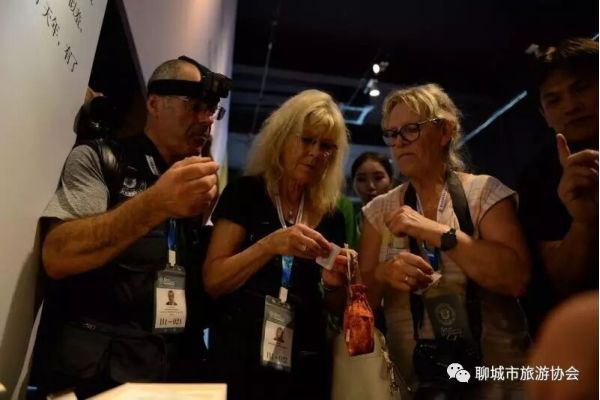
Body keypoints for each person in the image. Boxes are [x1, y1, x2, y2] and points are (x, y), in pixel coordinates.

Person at [28, 56, 231, 398]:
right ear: (154, 104)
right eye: (194, 106)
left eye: (212, 110)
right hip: (94, 377)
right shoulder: (102, 159)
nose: (206, 119)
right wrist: (155, 203)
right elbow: (58, 255)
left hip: (164, 373)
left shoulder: (195, 184)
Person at [359, 83, 532, 398]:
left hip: (498, 380)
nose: (399, 142)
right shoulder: (379, 210)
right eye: (392, 133)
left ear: (445, 131)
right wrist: (383, 273)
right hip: (412, 382)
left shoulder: (484, 192)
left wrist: (440, 233)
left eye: (411, 129)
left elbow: (515, 279)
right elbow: (359, 306)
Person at [203, 89, 350, 400]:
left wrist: (335, 285)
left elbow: (336, 307)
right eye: (307, 140)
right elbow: (214, 281)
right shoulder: (246, 193)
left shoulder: (332, 215)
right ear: (282, 138)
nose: (315, 153)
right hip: (240, 355)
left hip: (305, 361)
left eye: (326, 146)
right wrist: (269, 245)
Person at [518, 38, 599, 336]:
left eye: (581, 88)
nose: (571, 106)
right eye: (554, 100)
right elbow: (559, 282)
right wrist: (585, 223)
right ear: (544, 115)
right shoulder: (537, 176)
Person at [351, 152, 394, 243]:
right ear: (353, 183)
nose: (370, 186)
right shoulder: (352, 221)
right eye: (361, 179)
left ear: (391, 180)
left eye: (378, 178)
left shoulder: (402, 217)